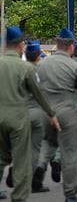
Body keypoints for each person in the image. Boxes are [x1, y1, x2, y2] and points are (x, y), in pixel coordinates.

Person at [35, 29, 77, 202]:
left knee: (48, 142)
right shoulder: (75, 66)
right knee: (70, 153)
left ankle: (40, 165)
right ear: (71, 46)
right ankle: (70, 193)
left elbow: (35, 90)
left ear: (57, 44)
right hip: (67, 112)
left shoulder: (42, 64)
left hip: (46, 113)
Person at [0, 26, 60, 202]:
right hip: (18, 118)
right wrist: (51, 114)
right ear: (19, 45)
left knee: (1, 157)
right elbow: (38, 93)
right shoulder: (26, 68)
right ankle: (18, 197)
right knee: (21, 160)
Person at [24, 41, 50, 194]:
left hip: (20, 112)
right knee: (36, 149)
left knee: (19, 148)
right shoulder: (42, 70)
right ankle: (34, 182)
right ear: (38, 56)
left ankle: (16, 171)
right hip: (38, 113)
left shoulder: (21, 69)